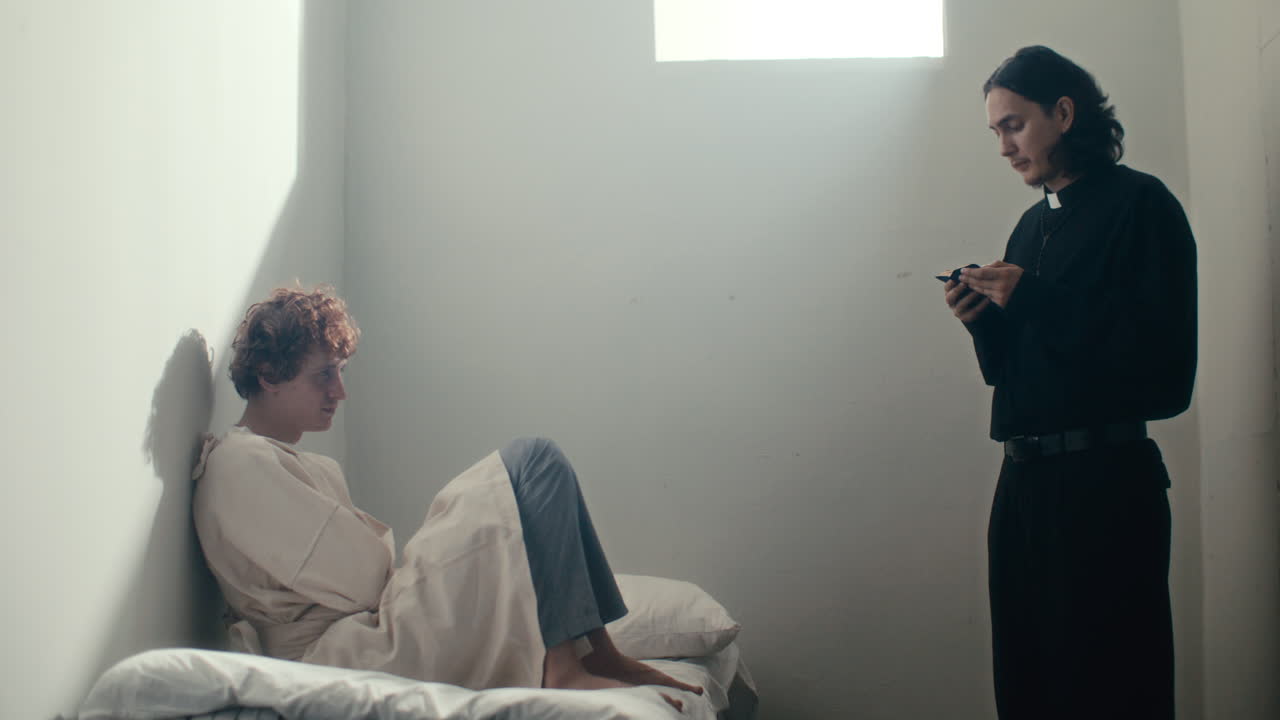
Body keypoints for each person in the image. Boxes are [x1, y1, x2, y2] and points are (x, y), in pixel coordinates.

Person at [192, 285, 702, 711]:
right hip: (346, 654)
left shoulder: (279, 462)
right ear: (268, 378)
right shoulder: (240, 463)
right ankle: (565, 666)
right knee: (531, 462)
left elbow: (357, 570)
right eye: (324, 374)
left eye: (341, 372)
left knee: (537, 468)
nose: (340, 391)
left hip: (363, 630)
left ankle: (597, 652)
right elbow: (368, 576)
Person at [944, 46, 1196, 719]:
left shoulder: (1142, 205)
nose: (1004, 146)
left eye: (1013, 125)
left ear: (1063, 112)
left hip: (1105, 489)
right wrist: (985, 325)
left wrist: (1034, 300)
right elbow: (1028, 373)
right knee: (1028, 688)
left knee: (1112, 687)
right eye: (996, 131)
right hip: (1024, 488)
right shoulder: (1031, 226)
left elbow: (1166, 375)